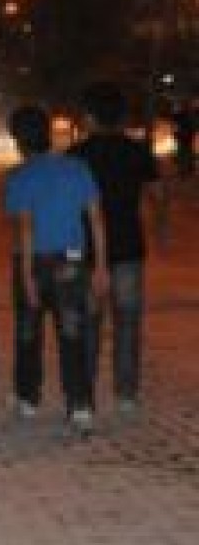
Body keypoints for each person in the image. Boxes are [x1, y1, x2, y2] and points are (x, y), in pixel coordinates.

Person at [4, 104, 107, 430]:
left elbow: (26, 229)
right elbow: (95, 220)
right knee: (72, 334)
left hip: (35, 262)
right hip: (73, 263)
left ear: (19, 140)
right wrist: (101, 267)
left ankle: (28, 397)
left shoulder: (21, 176)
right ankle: (79, 404)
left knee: (28, 334)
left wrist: (27, 276)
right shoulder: (78, 168)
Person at [68, 82, 169, 415]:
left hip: (86, 250)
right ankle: (126, 394)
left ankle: (85, 395)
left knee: (89, 323)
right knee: (127, 323)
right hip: (129, 248)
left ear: (91, 116)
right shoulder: (138, 151)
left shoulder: (76, 155)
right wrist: (161, 228)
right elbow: (158, 194)